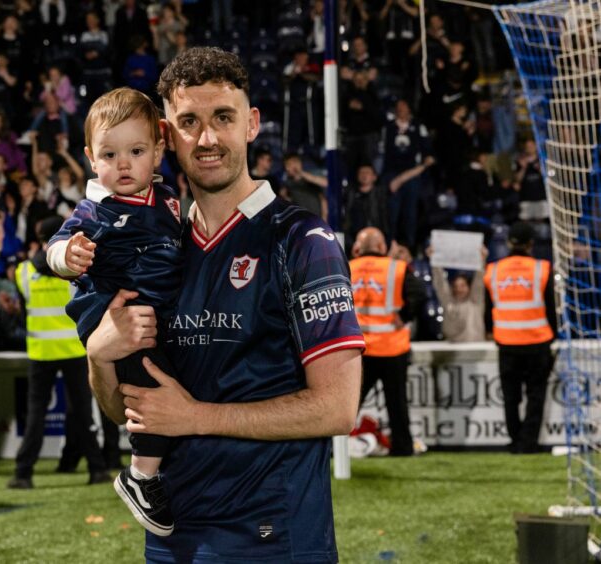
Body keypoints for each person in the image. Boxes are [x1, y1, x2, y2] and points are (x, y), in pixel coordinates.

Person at [86, 48, 364, 561]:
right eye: (189, 121)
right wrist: (100, 355)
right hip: (171, 539)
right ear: (167, 135)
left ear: (252, 124)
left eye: (223, 118)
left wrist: (195, 416)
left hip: (272, 538)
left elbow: (338, 409)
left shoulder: (304, 239)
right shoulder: (156, 249)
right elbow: (123, 411)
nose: (207, 138)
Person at [45, 87, 183, 536]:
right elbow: (53, 248)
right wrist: (69, 255)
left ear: (159, 151)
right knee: (155, 390)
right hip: (115, 316)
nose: (123, 164)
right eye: (109, 153)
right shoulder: (95, 209)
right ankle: (141, 475)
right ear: (90, 158)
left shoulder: (167, 203)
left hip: (153, 318)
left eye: (136, 151)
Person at [7, 216, 111, 490]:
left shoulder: (23, 272)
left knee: (35, 415)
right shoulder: (76, 268)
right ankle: (97, 469)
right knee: (83, 413)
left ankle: (23, 473)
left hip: (41, 352)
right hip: (73, 348)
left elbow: (22, 306)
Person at [350, 227, 425, 456]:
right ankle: (402, 448)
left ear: (356, 248)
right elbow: (420, 293)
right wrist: (405, 316)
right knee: (397, 403)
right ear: (383, 247)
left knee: (349, 404)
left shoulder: (346, 267)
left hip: (359, 349)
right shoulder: (398, 268)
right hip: (392, 347)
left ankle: (337, 448)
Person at [484, 221, 556, 454]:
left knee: (510, 397)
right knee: (536, 396)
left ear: (508, 243)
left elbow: (488, 309)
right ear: (531, 244)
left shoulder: (493, 270)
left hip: (507, 342)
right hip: (537, 341)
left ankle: (516, 440)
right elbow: (551, 308)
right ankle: (528, 443)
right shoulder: (542, 268)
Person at [429, 246, 487, 342]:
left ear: (469, 287)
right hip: (453, 351)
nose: (459, 289)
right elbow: (440, 283)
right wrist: (434, 259)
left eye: (462, 285)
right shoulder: (449, 303)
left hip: (476, 349)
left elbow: (479, 281)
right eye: (455, 286)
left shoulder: (475, 302)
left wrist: (482, 259)